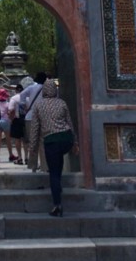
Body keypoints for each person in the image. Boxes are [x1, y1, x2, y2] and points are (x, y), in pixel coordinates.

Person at [29, 78, 79, 217]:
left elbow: (35, 129)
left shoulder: (38, 105)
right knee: (58, 164)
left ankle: (57, 204)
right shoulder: (62, 103)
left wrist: (32, 148)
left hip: (51, 141)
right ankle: (59, 189)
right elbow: (69, 122)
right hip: (66, 139)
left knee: (54, 173)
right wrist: (75, 142)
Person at [19, 72, 48, 172]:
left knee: (33, 142)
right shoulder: (47, 88)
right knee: (43, 141)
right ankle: (45, 166)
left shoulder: (31, 88)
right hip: (44, 116)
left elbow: (22, 94)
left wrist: (23, 105)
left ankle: (33, 165)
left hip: (30, 116)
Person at [0, 88, 17, 162]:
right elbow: (10, 112)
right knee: (8, 139)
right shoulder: (7, 104)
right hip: (6, 121)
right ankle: (10, 155)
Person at [8, 83, 27, 165]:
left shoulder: (14, 98)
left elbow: (11, 110)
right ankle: (27, 157)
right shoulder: (27, 98)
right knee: (26, 140)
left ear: (16, 90)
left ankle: (19, 157)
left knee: (17, 139)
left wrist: (11, 119)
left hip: (16, 120)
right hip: (26, 120)